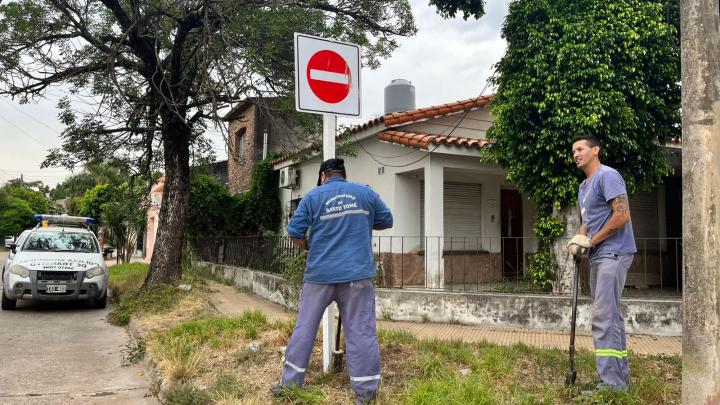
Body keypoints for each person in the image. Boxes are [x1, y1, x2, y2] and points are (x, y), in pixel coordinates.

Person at [270, 158, 393, 404]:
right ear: (343, 175)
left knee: (305, 327)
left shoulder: (313, 197)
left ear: (323, 176)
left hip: (320, 276)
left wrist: (308, 248)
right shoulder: (365, 193)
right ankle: (366, 394)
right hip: (358, 276)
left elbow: (294, 232)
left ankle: (289, 385)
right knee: (361, 331)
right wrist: (360, 223)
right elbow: (386, 220)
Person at [567, 135, 636, 392]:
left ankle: (611, 384)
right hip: (598, 254)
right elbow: (586, 221)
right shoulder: (584, 187)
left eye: (580, 149)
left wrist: (591, 241)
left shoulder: (608, 176)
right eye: (573, 151)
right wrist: (580, 240)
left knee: (603, 317)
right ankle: (619, 381)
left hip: (614, 252)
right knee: (611, 318)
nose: (575, 154)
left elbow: (622, 215)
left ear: (595, 150)